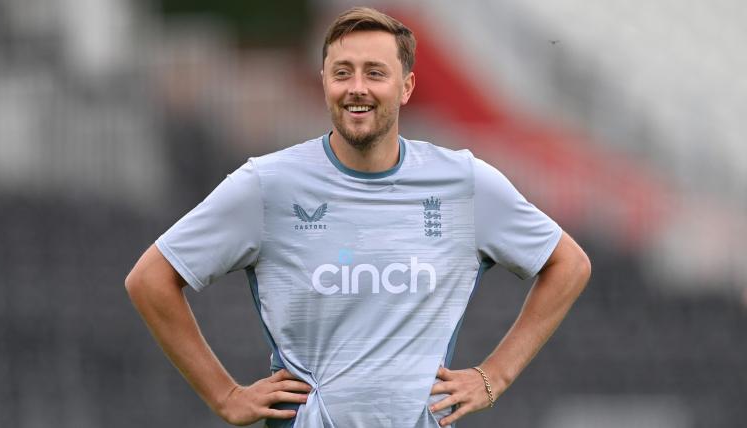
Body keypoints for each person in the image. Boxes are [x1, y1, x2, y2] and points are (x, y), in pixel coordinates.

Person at [125, 6, 591, 427]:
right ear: (324, 81)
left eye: (375, 72)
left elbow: (568, 264)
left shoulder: (464, 183)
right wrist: (225, 396)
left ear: (406, 87)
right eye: (342, 72)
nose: (357, 88)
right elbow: (150, 279)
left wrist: (494, 376)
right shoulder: (267, 184)